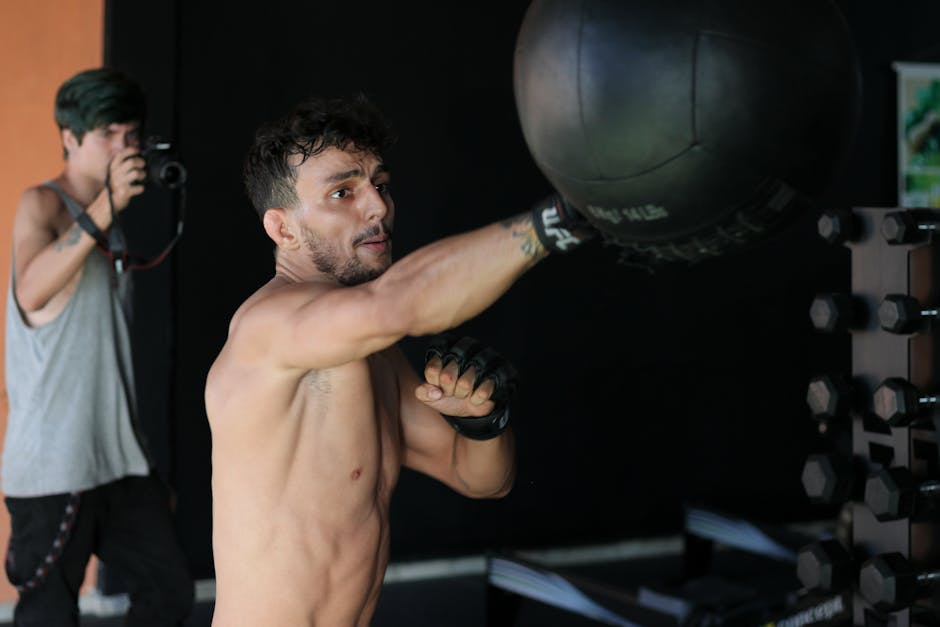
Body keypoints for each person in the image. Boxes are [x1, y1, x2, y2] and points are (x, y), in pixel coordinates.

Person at [204, 93, 596, 626]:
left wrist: (482, 420)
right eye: (343, 192)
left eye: (380, 186)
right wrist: (560, 220)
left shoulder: (374, 354)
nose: (378, 207)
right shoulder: (267, 328)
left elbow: (480, 479)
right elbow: (396, 304)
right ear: (283, 229)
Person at [3, 67, 194, 626]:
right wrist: (108, 204)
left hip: (118, 460)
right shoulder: (41, 204)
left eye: (131, 134)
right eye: (110, 133)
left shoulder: (114, 227)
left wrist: (144, 456)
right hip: (52, 466)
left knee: (169, 593)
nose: (124, 147)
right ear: (70, 137)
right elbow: (31, 289)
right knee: (48, 615)